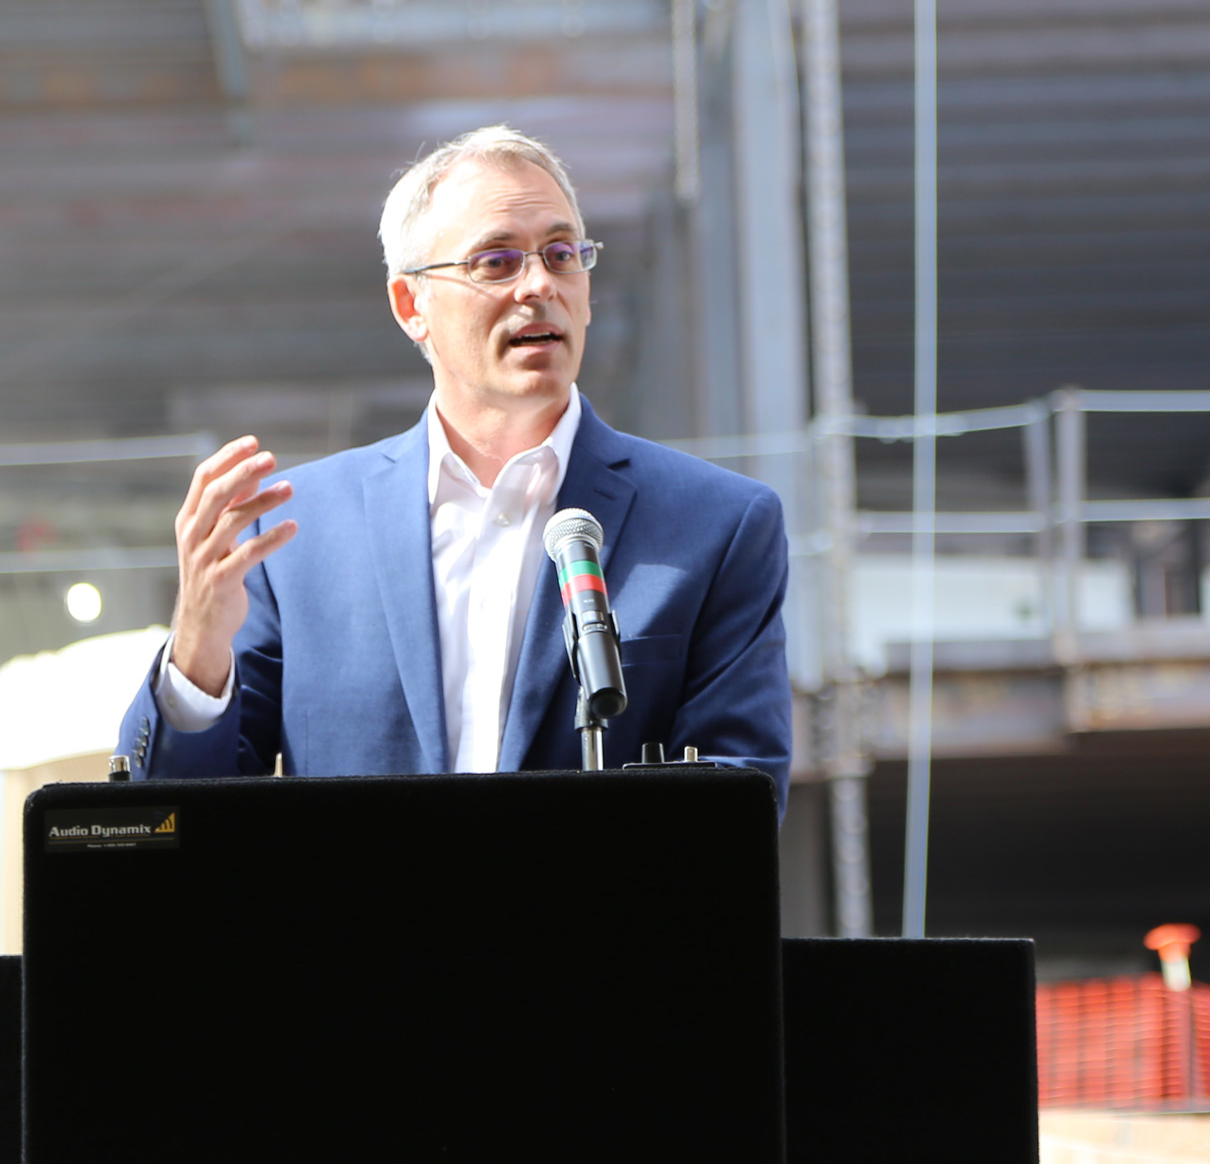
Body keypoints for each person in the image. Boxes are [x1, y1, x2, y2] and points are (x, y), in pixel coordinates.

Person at [118, 125, 793, 812]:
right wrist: (198, 650)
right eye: (496, 262)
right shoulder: (294, 536)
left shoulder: (717, 527)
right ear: (412, 306)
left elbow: (738, 820)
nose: (539, 284)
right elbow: (179, 825)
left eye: (562, 255)